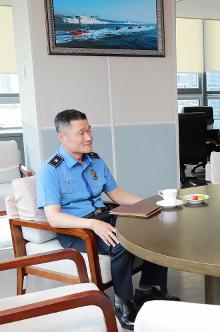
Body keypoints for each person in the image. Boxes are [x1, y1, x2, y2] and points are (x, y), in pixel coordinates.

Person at [36, 109, 179, 330]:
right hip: (77, 229)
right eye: (81, 132)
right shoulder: (50, 170)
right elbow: (54, 218)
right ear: (62, 137)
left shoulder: (94, 160)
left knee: (155, 226)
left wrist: (151, 203)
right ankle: (123, 301)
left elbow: (116, 194)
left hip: (103, 217)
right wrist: (93, 224)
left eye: (89, 130)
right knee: (121, 240)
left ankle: (147, 290)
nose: (89, 137)